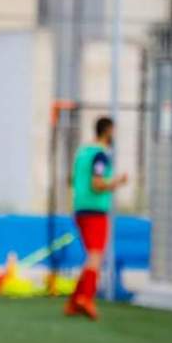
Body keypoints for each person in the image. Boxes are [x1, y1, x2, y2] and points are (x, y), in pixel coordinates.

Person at [65, 116, 128, 320]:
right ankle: (86, 298)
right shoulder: (100, 155)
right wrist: (117, 182)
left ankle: (73, 302)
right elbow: (97, 183)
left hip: (80, 208)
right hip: (95, 210)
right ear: (108, 131)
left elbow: (71, 180)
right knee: (95, 255)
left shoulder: (83, 152)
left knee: (91, 257)